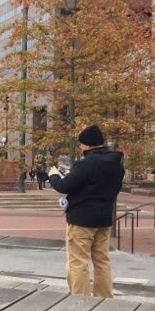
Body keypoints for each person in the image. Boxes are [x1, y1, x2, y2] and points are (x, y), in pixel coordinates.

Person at [49, 124, 124, 299]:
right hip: (104, 219)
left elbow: (64, 185)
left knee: (78, 263)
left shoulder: (86, 164)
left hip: (82, 221)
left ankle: (80, 301)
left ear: (87, 145)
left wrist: (53, 175)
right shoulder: (116, 164)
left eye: (81, 144)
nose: (81, 148)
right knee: (102, 261)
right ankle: (105, 298)